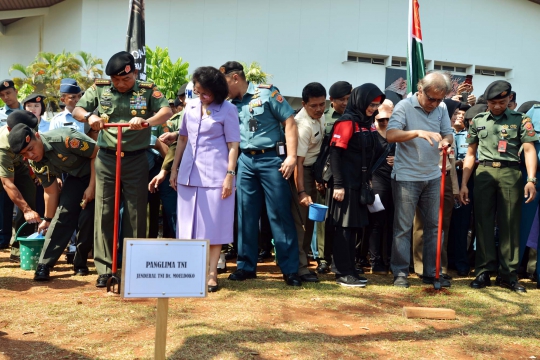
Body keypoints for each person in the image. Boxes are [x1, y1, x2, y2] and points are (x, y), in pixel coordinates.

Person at [72, 51, 172, 288]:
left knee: (136, 213)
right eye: (116, 80)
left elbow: (166, 111)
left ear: (134, 73)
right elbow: (78, 109)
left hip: (136, 159)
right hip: (107, 158)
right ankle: (105, 268)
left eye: (125, 80)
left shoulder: (147, 90)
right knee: (105, 210)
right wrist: (89, 117)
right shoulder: (100, 88)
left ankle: (132, 265)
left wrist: (147, 121)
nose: (120, 84)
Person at [220, 61, 302, 286]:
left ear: (235, 78)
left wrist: (292, 156)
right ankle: (245, 266)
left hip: (271, 159)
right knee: (245, 214)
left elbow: (290, 121)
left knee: (279, 213)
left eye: (224, 82)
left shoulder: (266, 94)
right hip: (245, 160)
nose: (222, 87)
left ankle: (290, 269)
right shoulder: (228, 104)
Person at [460, 80, 538, 293]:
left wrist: (531, 180)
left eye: (502, 102)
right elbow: (470, 154)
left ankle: (508, 274)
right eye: (493, 102)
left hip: (511, 173)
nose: (497, 106)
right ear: (487, 102)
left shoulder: (521, 120)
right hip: (484, 173)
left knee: (510, 224)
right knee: (483, 223)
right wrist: (464, 183)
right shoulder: (477, 121)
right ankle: (483, 271)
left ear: (510, 99)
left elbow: (529, 150)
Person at [168, 66, 240, 292]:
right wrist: (174, 169)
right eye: (198, 92)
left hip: (216, 175)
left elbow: (233, 145)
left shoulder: (228, 110)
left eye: (205, 93)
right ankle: (189, 270)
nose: (201, 96)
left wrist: (229, 175)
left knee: (213, 225)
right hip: (188, 174)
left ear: (216, 90)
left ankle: (211, 273)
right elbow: (182, 139)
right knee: (187, 225)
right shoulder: (190, 107)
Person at [387, 72, 454, 288]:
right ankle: (400, 273)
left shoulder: (442, 109)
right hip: (406, 176)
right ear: (420, 91)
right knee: (403, 227)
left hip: (433, 175)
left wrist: (445, 142)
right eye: (431, 99)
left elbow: (448, 134)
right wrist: (417, 132)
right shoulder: (404, 107)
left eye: (439, 99)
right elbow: (391, 135)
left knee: (434, 226)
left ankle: (431, 273)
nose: (434, 104)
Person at [8, 124, 97, 280]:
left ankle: (80, 263)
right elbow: (51, 190)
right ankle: (44, 264)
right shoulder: (35, 162)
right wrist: (48, 219)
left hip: (100, 173)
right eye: (25, 154)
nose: (30, 155)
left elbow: (98, 154)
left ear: (37, 135)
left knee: (87, 218)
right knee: (63, 214)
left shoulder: (64, 139)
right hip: (77, 178)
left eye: (31, 148)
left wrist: (92, 186)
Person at [327, 83, 385, 287]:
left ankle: (350, 269)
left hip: (360, 185)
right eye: (371, 104)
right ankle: (342, 272)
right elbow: (335, 154)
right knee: (344, 228)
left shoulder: (367, 123)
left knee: (354, 229)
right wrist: (339, 185)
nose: (374, 108)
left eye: (377, 104)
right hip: (345, 185)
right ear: (360, 101)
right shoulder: (346, 122)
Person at [412, 99, 459, 279]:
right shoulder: (425, 130)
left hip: (444, 179)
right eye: (452, 114)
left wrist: (454, 189)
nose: (454, 117)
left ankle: (440, 266)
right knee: (422, 224)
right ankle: (421, 265)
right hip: (424, 176)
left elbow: (451, 163)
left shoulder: (449, 135)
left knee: (442, 225)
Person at [291, 82, 326, 283]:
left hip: (312, 172)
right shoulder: (302, 125)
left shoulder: (318, 118)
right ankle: (299, 268)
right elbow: (298, 162)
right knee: (300, 222)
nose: (319, 109)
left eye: (322, 104)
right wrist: (302, 192)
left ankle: (304, 264)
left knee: (310, 221)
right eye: (314, 105)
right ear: (304, 104)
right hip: (300, 172)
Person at [317, 81, 353, 274]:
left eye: (348, 99)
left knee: (342, 219)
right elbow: (321, 150)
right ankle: (323, 257)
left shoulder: (354, 117)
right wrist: (319, 176)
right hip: (327, 173)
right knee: (324, 218)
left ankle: (343, 258)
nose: (345, 103)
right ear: (332, 100)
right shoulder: (324, 118)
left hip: (346, 174)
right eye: (342, 100)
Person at [0, 111, 40, 255]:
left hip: (18, 164)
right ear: (11, 130)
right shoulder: (3, 145)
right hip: (2, 165)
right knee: (24, 206)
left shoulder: (29, 128)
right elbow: (8, 184)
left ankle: (21, 248)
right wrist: (26, 210)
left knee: (29, 193)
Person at [364, 99, 395, 274]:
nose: (384, 122)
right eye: (380, 119)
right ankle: (376, 262)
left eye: (387, 119)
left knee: (392, 223)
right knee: (376, 223)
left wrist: (398, 161)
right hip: (376, 181)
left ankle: (390, 260)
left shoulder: (398, 135)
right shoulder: (371, 136)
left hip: (396, 182)